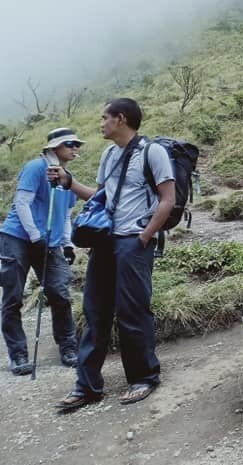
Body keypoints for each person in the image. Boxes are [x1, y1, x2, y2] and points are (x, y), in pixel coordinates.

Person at [53, 98, 174, 411]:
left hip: (133, 242)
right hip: (106, 242)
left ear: (121, 119)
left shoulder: (153, 152)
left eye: (105, 117)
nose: (101, 123)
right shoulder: (109, 154)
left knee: (132, 311)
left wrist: (144, 237)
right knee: (95, 313)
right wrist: (69, 182)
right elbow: (101, 197)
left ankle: (143, 378)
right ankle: (87, 386)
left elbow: (168, 199)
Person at [1, 128, 82, 375]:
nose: (75, 148)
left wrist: (68, 243)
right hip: (17, 237)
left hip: (51, 242)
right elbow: (22, 203)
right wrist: (35, 236)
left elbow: (66, 214)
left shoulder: (68, 178)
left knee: (60, 293)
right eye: (70, 143)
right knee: (13, 296)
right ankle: (18, 355)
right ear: (55, 147)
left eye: (77, 144)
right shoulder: (36, 168)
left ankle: (68, 347)